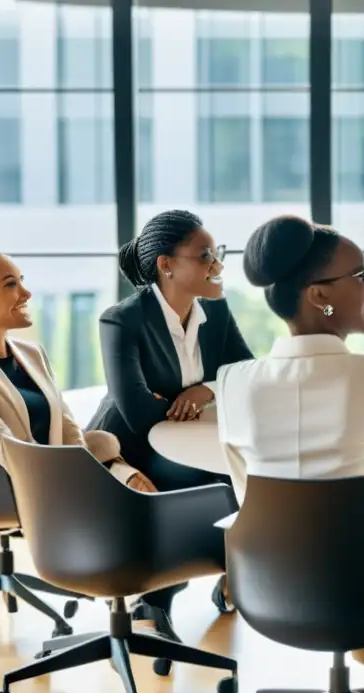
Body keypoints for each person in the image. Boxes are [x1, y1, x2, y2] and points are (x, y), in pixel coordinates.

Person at [88, 209, 252, 616]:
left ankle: (225, 571)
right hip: (130, 451)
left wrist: (202, 390)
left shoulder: (215, 312)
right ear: (167, 266)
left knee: (241, 473)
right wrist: (212, 389)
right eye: (204, 257)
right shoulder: (122, 321)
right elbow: (140, 412)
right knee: (216, 487)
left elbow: (246, 374)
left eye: (218, 254)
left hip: (189, 439)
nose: (217, 266)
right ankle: (159, 598)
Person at [215, 215, 364, 521]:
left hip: (269, 565)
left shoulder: (231, 383)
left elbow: (248, 499)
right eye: (362, 276)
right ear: (320, 297)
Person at [0, 247, 154, 492]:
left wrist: (119, 472)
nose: (26, 293)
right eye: (10, 285)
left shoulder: (32, 353)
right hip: (10, 490)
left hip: (54, 478)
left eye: (21, 282)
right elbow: (8, 451)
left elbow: (67, 428)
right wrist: (94, 479)